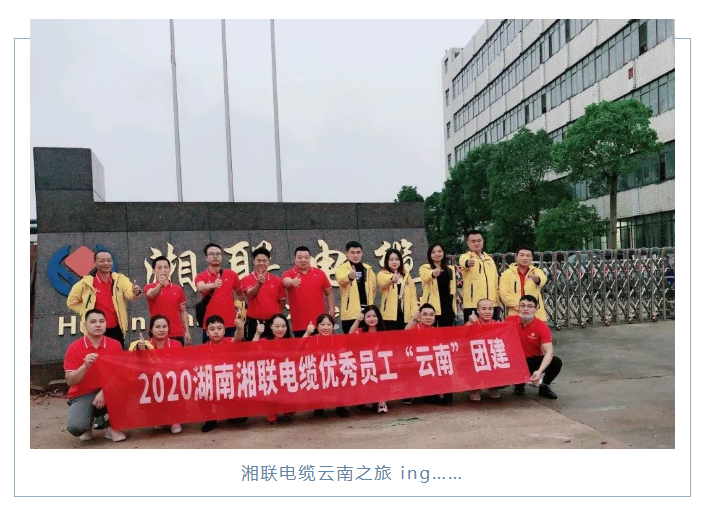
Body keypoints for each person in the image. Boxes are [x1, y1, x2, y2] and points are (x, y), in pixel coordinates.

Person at [63, 309, 126, 442]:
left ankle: (112, 427)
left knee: (130, 393)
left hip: (109, 391)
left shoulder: (115, 345)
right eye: (93, 322)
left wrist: (104, 392)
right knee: (76, 427)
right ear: (85, 325)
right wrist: (85, 366)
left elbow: (119, 374)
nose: (98, 325)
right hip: (83, 394)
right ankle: (87, 424)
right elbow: (70, 381)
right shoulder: (74, 348)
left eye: (101, 321)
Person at [67, 250, 141, 348]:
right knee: (96, 356)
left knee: (117, 355)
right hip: (95, 329)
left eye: (109, 260)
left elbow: (129, 293)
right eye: (102, 261)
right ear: (95, 263)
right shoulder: (85, 283)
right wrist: (85, 311)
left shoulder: (120, 279)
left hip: (116, 329)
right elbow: (71, 302)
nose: (106, 263)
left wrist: (135, 292)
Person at [127, 315, 183, 433]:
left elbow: (180, 366)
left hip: (171, 382)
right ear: (151, 330)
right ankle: (159, 418)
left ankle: (175, 419)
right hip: (151, 384)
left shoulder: (176, 344)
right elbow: (137, 367)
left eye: (164, 326)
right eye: (157, 327)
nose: (161, 330)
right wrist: (141, 352)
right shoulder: (145, 344)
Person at [506, 295, 562, 399]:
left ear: (536, 309)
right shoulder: (509, 321)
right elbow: (491, 331)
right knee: (498, 385)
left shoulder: (542, 327)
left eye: (530, 306)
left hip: (531, 362)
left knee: (556, 362)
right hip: (513, 361)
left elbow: (549, 352)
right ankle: (519, 384)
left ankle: (544, 386)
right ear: (518, 307)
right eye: (522, 306)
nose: (526, 309)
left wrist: (539, 371)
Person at [301, 313, 350, 418]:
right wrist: (307, 333)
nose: (326, 328)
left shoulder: (338, 339)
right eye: (322, 325)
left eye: (329, 324)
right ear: (317, 327)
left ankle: (340, 406)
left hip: (335, 369)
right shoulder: (313, 339)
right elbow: (298, 350)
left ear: (333, 326)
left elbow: (343, 355)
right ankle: (318, 406)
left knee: (344, 371)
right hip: (318, 371)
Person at [201, 314, 245, 432]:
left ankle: (231, 413)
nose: (216, 332)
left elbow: (238, 337)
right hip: (213, 387)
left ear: (224, 330)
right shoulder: (203, 348)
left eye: (219, 328)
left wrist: (239, 328)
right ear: (207, 333)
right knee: (200, 388)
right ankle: (211, 418)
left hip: (231, 386)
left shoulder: (230, 341)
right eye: (212, 329)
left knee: (241, 418)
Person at [253, 314, 299, 424]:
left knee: (290, 409)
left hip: (287, 379)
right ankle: (272, 411)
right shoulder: (264, 341)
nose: (280, 329)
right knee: (272, 416)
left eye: (283, 326)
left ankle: (288, 411)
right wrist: (257, 334)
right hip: (271, 379)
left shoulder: (290, 343)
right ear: (271, 326)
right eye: (277, 326)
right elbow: (252, 352)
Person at [194, 243, 244, 344]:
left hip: (231, 323)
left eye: (218, 254)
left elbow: (240, 294)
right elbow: (200, 287)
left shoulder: (231, 274)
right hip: (211, 326)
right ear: (206, 258)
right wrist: (213, 285)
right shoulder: (201, 276)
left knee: (234, 352)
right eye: (212, 254)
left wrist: (238, 312)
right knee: (210, 353)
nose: (215, 256)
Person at [282, 246, 336, 337]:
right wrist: (292, 281)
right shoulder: (289, 273)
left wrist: (332, 313)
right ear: (294, 259)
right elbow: (285, 281)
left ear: (310, 258)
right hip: (300, 324)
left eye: (306, 257)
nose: (303, 260)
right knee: (303, 346)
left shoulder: (319, 273)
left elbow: (329, 292)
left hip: (321, 324)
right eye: (300, 257)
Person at [240, 247, 286, 341]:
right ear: (253, 261)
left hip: (273, 323)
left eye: (264, 260)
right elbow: (250, 294)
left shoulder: (277, 281)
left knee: (275, 348)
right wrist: (259, 284)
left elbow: (282, 303)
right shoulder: (246, 279)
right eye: (259, 260)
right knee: (253, 349)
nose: (261, 263)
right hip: (254, 322)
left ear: (269, 261)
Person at [143, 256, 191, 346]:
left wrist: (187, 331)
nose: (163, 270)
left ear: (170, 269)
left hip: (177, 333)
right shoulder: (149, 287)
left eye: (166, 267)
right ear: (153, 271)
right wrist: (160, 285)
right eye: (159, 268)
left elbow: (183, 311)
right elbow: (151, 295)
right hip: (157, 333)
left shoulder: (178, 289)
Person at [349, 305, 388, 413]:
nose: (371, 319)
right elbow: (350, 335)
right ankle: (368, 398)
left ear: (379, 317)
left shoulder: (384, 333)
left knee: (381, 370)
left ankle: (381, 401)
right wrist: (357, 320)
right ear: (364, 318)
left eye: (374, 316)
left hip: (380, 363)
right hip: (365, 362)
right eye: (368, 316)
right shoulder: (360, 331)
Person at [458, 230, 501, 322]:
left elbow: (495, 282)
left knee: (492, 330)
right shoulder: (465, 257)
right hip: (473, 305)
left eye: (479, 240)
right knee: (474, 330)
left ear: (483, 241)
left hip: (491, 305)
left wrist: (497, 302)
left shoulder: (489, 259)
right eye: (473, 241)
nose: (476, 243)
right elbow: (463, 262)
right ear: (468, 243)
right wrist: (468, 263)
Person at [335, 241, 376, 334]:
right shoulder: (341, 269)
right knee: (351, 341)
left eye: (358, 252)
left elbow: (373, 291)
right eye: (352, 252)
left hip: (368, 314)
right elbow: (341, 280)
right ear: (346, 253)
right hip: (350, 315)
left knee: (368, 340)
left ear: (362, 253)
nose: (355, 255)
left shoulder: (368, 269)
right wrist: (349, 277)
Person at [465, 298, 502, 401]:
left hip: (492, 357)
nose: (487, 312)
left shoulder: (498, 324)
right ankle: (475, 389)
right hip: (476, 357)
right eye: (484, 309)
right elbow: (461, 337)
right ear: (477, 310)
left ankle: (492, 386)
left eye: (490, 309)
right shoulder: (472, 323)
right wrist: (469, 324)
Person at [500, 246, 548, 321]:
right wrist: (523, 306)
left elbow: (543, 279)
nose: (525, 258)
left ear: (532, 258)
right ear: (516, 257)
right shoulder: (507, 274)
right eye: (522, 255)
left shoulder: (537, 271)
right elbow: (504, 295)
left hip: (536, 314)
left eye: (528, 256)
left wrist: (537, 280)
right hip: (515, 313)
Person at [377, 248, 418, 331]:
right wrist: (391, 279)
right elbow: (382, 283)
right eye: (391, 259)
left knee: (405, 337)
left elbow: (412, 296)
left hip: (405, 315)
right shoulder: (382, 274)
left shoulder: (406, 276)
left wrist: (414, 313)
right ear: (387, 261)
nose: (394, 262)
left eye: (397, 259)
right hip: (389, 316)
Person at [419, 243, 457, 328]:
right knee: (430, 333)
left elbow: (452, 288)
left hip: (447, 305)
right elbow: (425, 277)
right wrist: (433, 273)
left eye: (439, 251)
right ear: (429, 254)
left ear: (443, 253)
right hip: (431, 306)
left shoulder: (450, 269)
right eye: (433, 252)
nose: (437, 254)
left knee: (447, 332)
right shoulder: (425, 267)